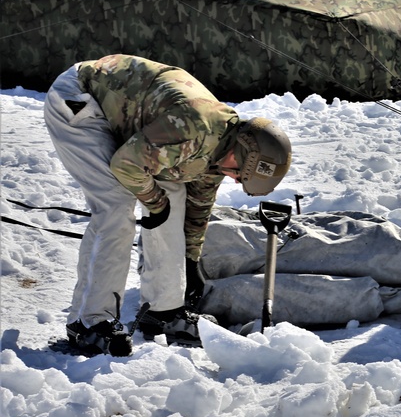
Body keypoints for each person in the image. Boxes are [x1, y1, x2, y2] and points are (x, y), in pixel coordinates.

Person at [44, 54, 292, 356]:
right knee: (116, 206)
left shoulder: (219, 155)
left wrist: (189, 262)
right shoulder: (194, 131)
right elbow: (126, 166)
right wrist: (153, 201)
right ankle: (88, 323)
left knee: (174, 193)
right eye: (239, 172)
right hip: (80, 99)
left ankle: (163, 311)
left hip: (128, 115)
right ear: (241, 149)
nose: (235, 179)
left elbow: (196, 209)